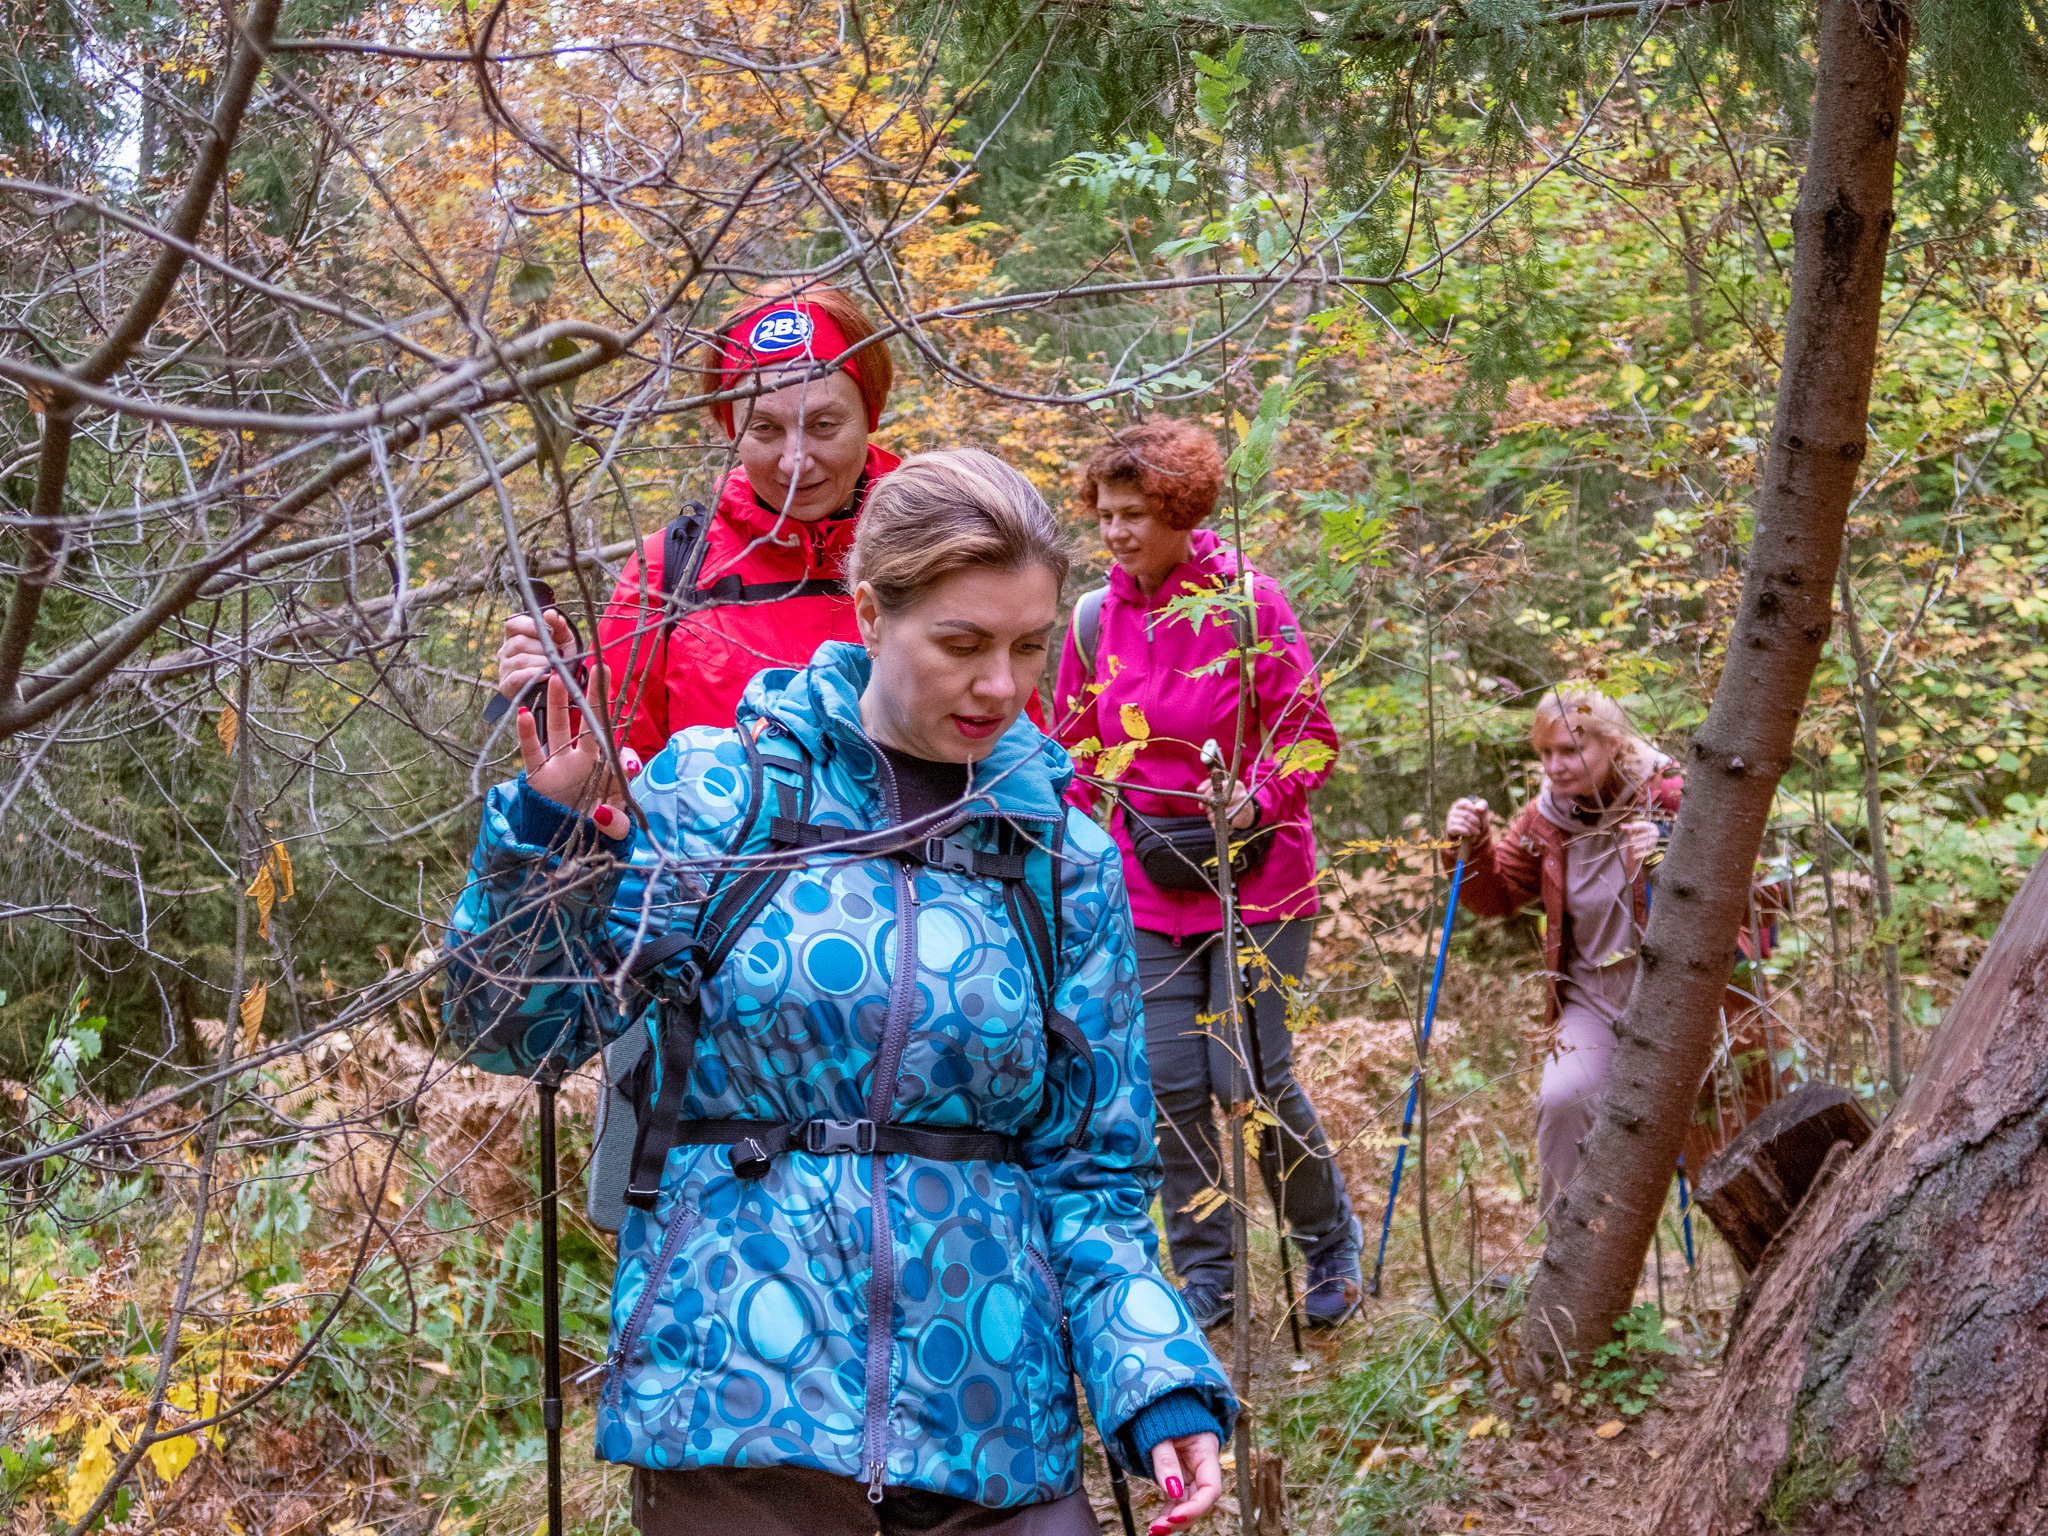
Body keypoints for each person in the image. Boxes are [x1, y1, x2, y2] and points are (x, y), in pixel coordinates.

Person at [446, 449, 1235, 1536]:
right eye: (961, 644)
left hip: (992, 1412)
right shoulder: (719, 798)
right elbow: (507, 1030)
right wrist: (544, 835)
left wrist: (1156, 1380)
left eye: (1026, 646)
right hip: (734, 1403)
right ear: (868, 611)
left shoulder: (1062, 857)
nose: (1000, 685)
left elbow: (1092, 1174)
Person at [1051, 419, 1361, 1334]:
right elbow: (1072, 748)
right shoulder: (1093, 618)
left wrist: (1257, 799)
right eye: (1106, 514)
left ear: (1181, 511)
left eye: (1136, 513)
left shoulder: (1245, 602)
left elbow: (1310, 735)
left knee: (1251, 1080)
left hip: (1256, 881)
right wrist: (1097, 820)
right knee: (1173, 1086)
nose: (1117, 532)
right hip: (1145, 886)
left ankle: (1328, 1247)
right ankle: (1209, 1279)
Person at [495, 283, 902, 758]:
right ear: (732, 430)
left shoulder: (943, 545)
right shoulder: (669, 569)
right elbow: (620, 780)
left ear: (870, 413)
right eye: (764, 428)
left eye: (824, 425)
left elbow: (1006, 752)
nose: (795, 462)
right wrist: (563, 697)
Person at [1443, 689, 1777, 1215]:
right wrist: (1472, 844)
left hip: (1687, 997)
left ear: (1613, 744)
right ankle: (1567, 1268)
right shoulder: (1546, 817)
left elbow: (1760, 897)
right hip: (1593, 1000)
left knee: (1726, 1144)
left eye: (1571, 751)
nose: (1555, 766)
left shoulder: (1671, 794)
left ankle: (1775, 1266)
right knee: (1563, 1099)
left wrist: (1672, 858)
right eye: (1545, 753)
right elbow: (1497, 897)